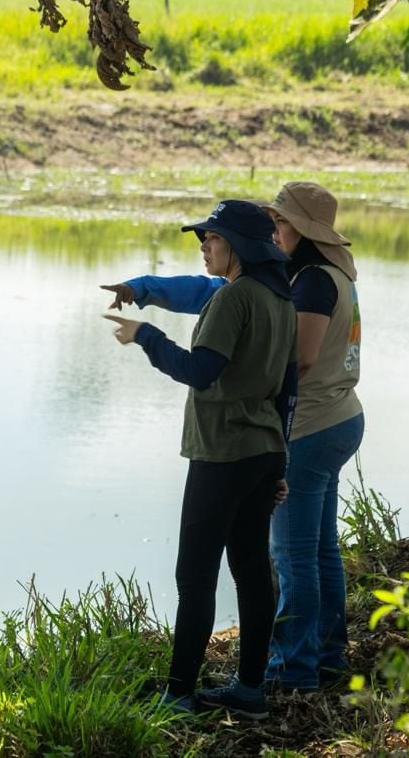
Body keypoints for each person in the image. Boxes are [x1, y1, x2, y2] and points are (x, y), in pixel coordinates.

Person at [102, 199, 297, 720]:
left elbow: (200, 372)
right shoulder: (280, 299)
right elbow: (288, 391)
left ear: (238, 245)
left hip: (221, 454)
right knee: (252, 571)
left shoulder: (234, 298)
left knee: (195, 576)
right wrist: (279, 466)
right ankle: (250, 690)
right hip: (262, 453)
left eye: (212, 238)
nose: (204, 246)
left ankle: (179, 695)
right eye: (203, 238)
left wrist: (144, 335)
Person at [260, 182, 363, 693]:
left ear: (303, 229)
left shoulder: (315, 281)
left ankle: (292, 670)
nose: (273, 230)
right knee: (320, 549)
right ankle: (327, 656)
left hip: (310, 426)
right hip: (340, 416)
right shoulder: (335, 271)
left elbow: (300, 358)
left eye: (280, 222)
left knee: (291, 554)